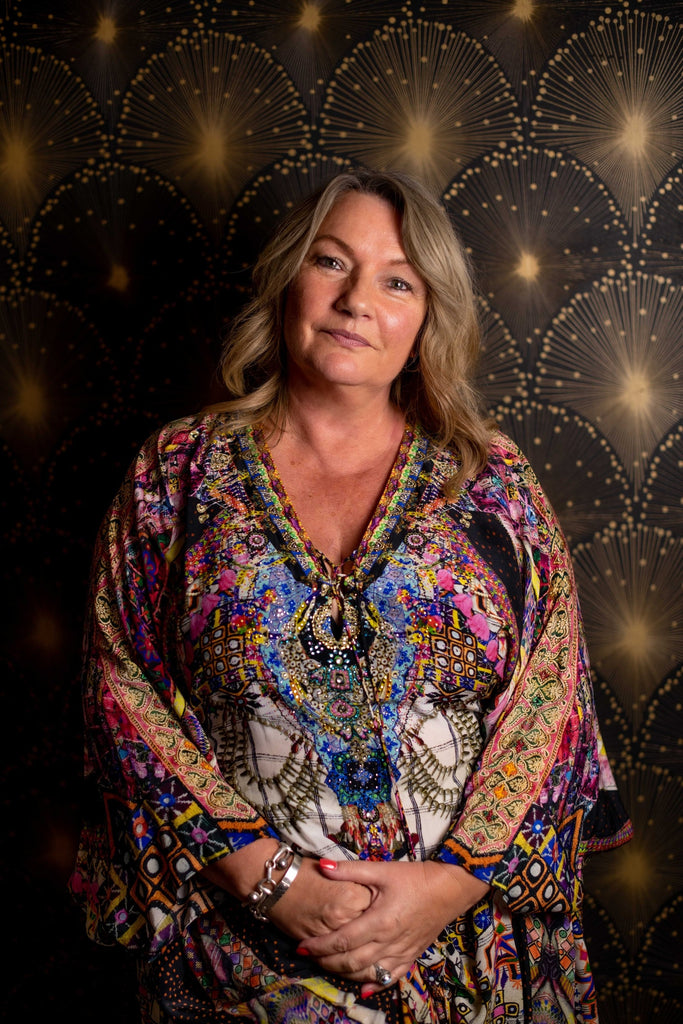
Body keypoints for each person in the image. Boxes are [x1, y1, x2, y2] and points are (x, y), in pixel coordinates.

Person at [70, 169, 632, 1024]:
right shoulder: (178, 472)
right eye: (331, 263)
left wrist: (448, 887)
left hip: (468, 952)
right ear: (289, 280)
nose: (355, 299)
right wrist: (271, 880)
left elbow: (551, 700)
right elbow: (122, 691)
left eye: (396, 280)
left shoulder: (491, 482)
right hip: (236, 956)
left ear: (426, 317)